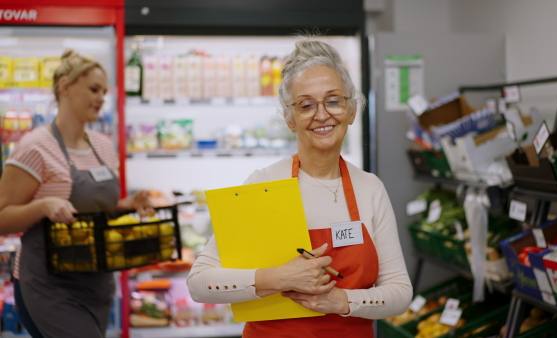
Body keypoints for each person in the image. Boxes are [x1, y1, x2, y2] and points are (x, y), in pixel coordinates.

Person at [187, 36, 412, 337]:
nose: (322, 114)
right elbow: (200, 283)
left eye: (334, 100)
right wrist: (278, 278)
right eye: (306, 105)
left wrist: (341, 300)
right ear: (290, 119)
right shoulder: (264, 183)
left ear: (352, 110)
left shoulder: (370, 188)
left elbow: (399, 292)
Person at [0, 50, 154, 338]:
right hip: (47, 285)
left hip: (97, 282)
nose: (101, 98)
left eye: (104, 92)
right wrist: (43, 206)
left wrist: (129, 204)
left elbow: (97, 209)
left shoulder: (103, 146)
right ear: (65, 87)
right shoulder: (35, 147)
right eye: (94, 89)